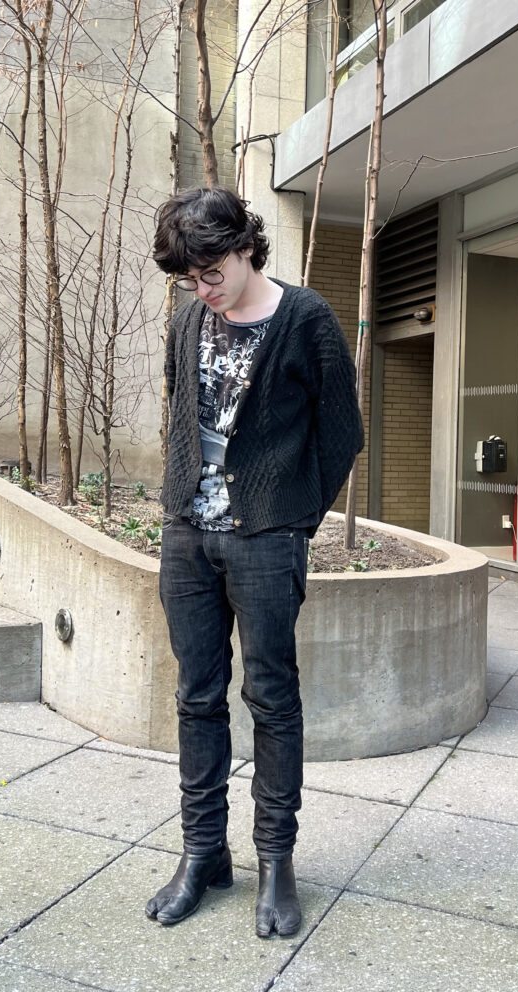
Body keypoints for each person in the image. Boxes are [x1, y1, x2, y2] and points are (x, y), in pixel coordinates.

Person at [145, 186, 364, 938]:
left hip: (267, 537)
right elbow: (179, 407)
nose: (202, 289)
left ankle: (276, 858)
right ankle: (203, 852)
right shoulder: (188, 320)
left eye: (211, 272)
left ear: (245, 247)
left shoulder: (305, 319)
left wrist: (294, 519)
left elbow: (342, 432)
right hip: (186, 534)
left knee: (271, 697)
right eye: (189, 279)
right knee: (196, 696)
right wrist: (179, 501)